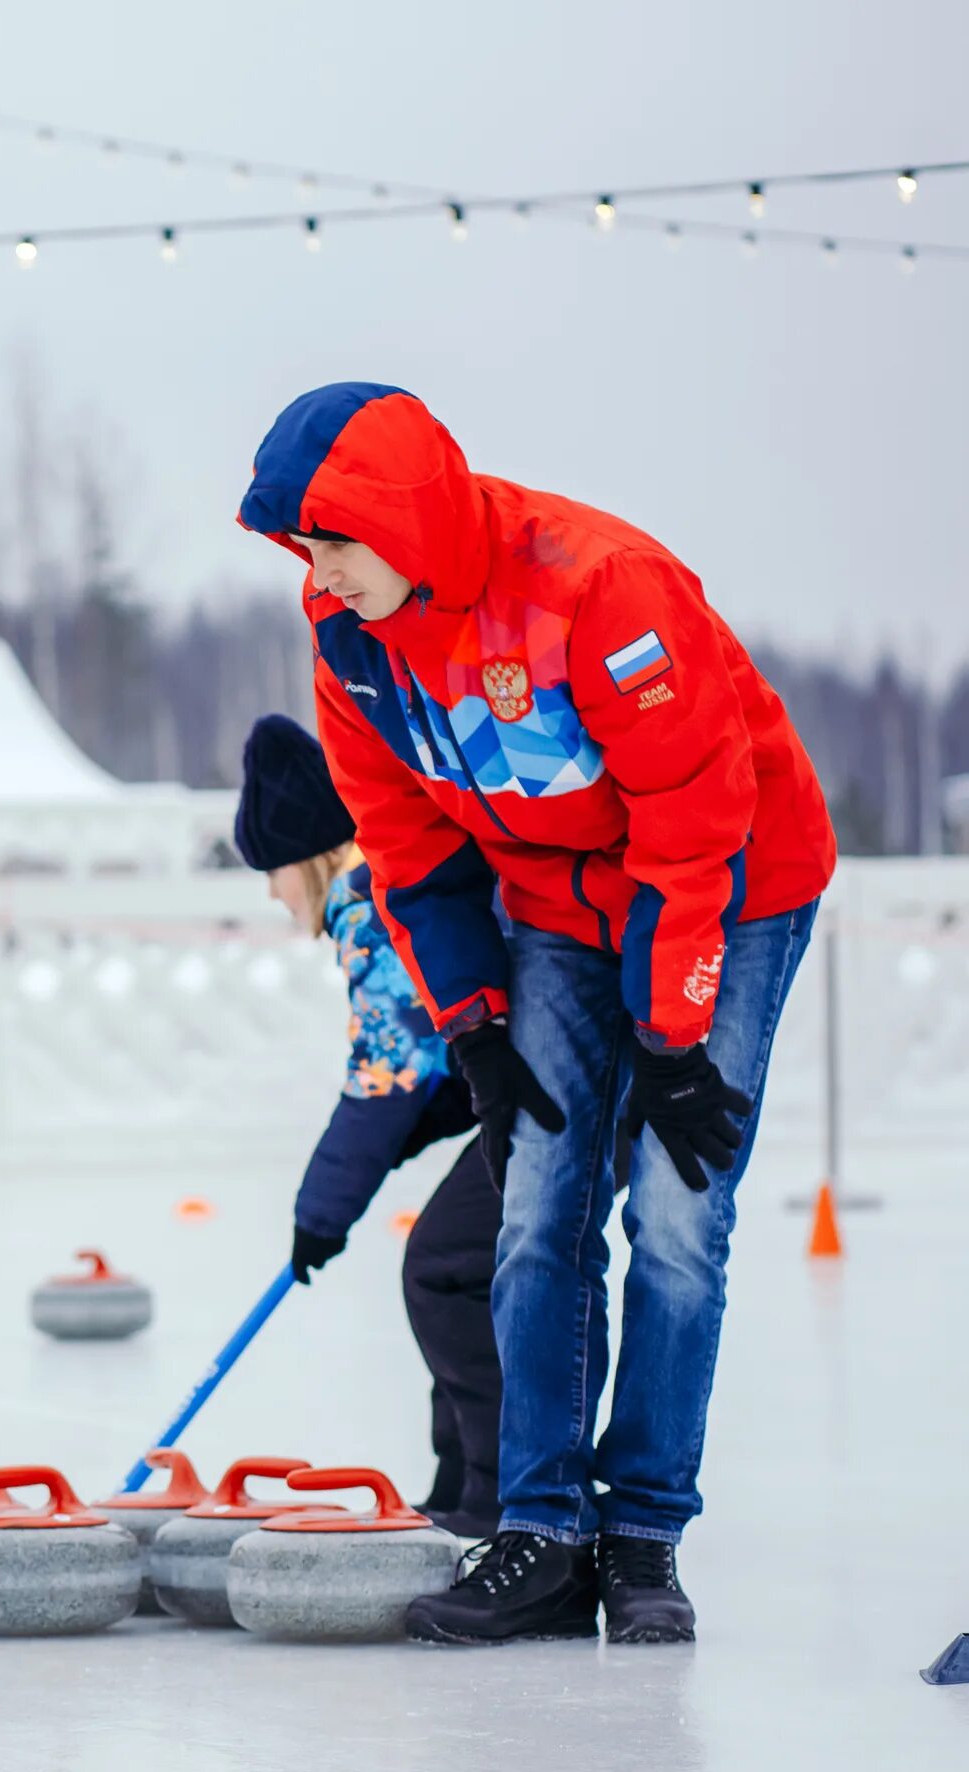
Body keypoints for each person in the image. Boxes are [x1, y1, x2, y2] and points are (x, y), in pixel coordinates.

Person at [238, 382, 835, 1644]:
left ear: (395, 515)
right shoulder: (349, 639)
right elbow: (403, 844)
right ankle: (542, 1529)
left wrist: (672, 1036)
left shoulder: (598, 588)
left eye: (334, 540)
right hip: (556, 901)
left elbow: (692, 821)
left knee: (678, 1211)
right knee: (536, 1201)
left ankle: (644, 1535)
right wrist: (472, 1023)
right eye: (306, 548)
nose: (319, 571)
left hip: (729, 887)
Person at [236, 715, 499, 1536]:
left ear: (307, 857)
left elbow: (385, 1075)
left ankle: (496, 1493)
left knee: (445, 1267)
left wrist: (320, 1215)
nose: (271, 894)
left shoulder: (367, 898)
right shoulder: (382, 882)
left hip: (562, 1089)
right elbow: (435, 1060)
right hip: (534, 1085)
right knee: (456, 1267)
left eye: (270, 871)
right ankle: (463, 1483)